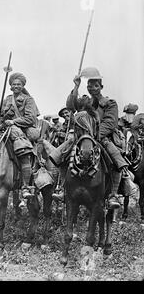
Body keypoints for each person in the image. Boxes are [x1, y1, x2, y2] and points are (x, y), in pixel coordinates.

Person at [49, 67, 128, 209]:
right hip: (82, 136)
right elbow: (71, 105)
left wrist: (94, 134)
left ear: (101, 87)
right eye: (89, 86)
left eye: (96, 85)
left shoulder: (110, 103)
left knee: (116, 159)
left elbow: (110, 123)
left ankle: (113, 195)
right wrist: (76, 86)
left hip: (102, 137)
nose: (92, 88)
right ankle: (61, 188)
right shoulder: (85, 102)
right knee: (61, 154)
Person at [0, 72, 40, 199]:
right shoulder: (7, 99)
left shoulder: (29, 100)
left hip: (23, 130)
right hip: (6, 128)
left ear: (22, 86)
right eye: (14, 84)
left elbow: (30, 119)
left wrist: (14, 122)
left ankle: (26, 186)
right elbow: (2, 117)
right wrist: (1, 122)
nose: (16, 86)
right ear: (10, 86)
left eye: (19, 84)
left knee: (23, 150)